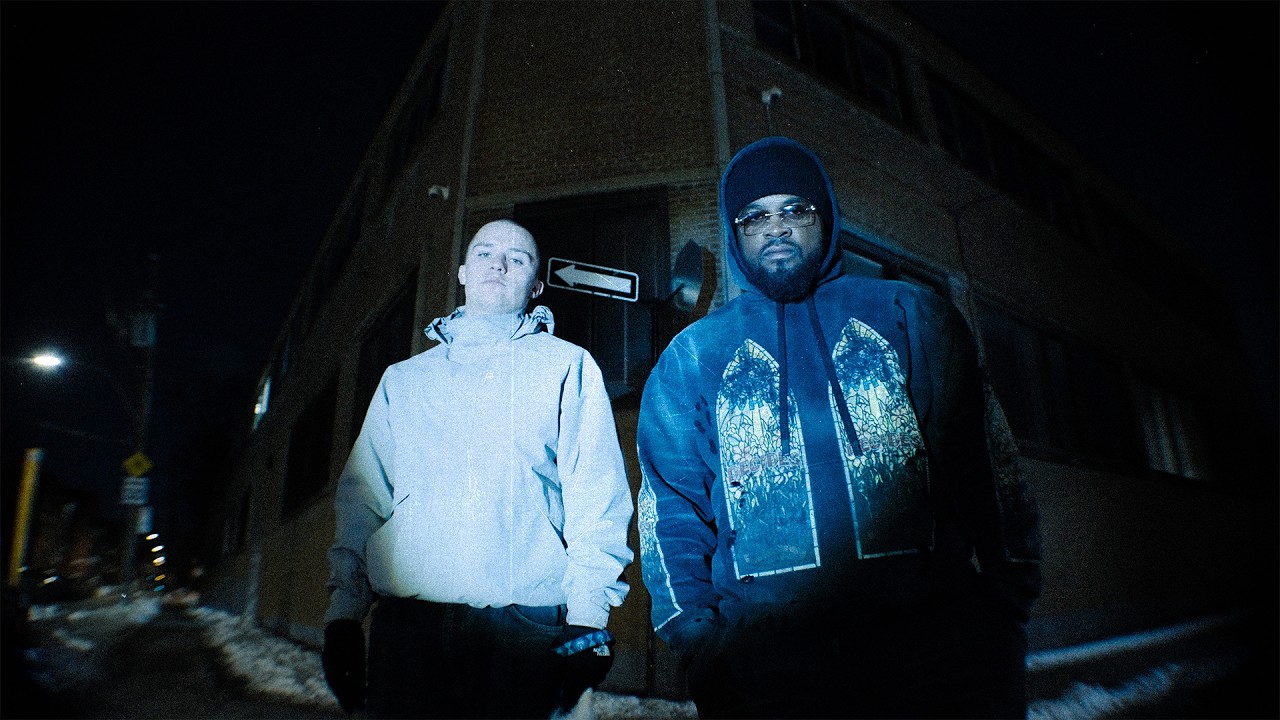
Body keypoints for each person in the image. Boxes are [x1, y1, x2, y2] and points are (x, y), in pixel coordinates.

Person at [637, 137, 1041, 718]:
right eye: (754, 217)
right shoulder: (693, 357)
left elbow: (987, 467)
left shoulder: (912, 316)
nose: (776, 227)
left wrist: (1002, 614)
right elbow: (671, 509)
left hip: (935, 662)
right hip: (770, 678)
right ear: (735, 233)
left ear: (825, 216)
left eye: (794, 209)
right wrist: (702, 647)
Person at [322, 219, 634, 719]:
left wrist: (589, 621)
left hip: (526, 633)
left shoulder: (567, 366)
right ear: (464, 272)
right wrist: (343, 616)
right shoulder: (404, 380)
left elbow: (597, 497)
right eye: (485, 253)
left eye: (518, 257)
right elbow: (364, 498)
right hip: (408, 633)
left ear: (536, 286)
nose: (499, 264)